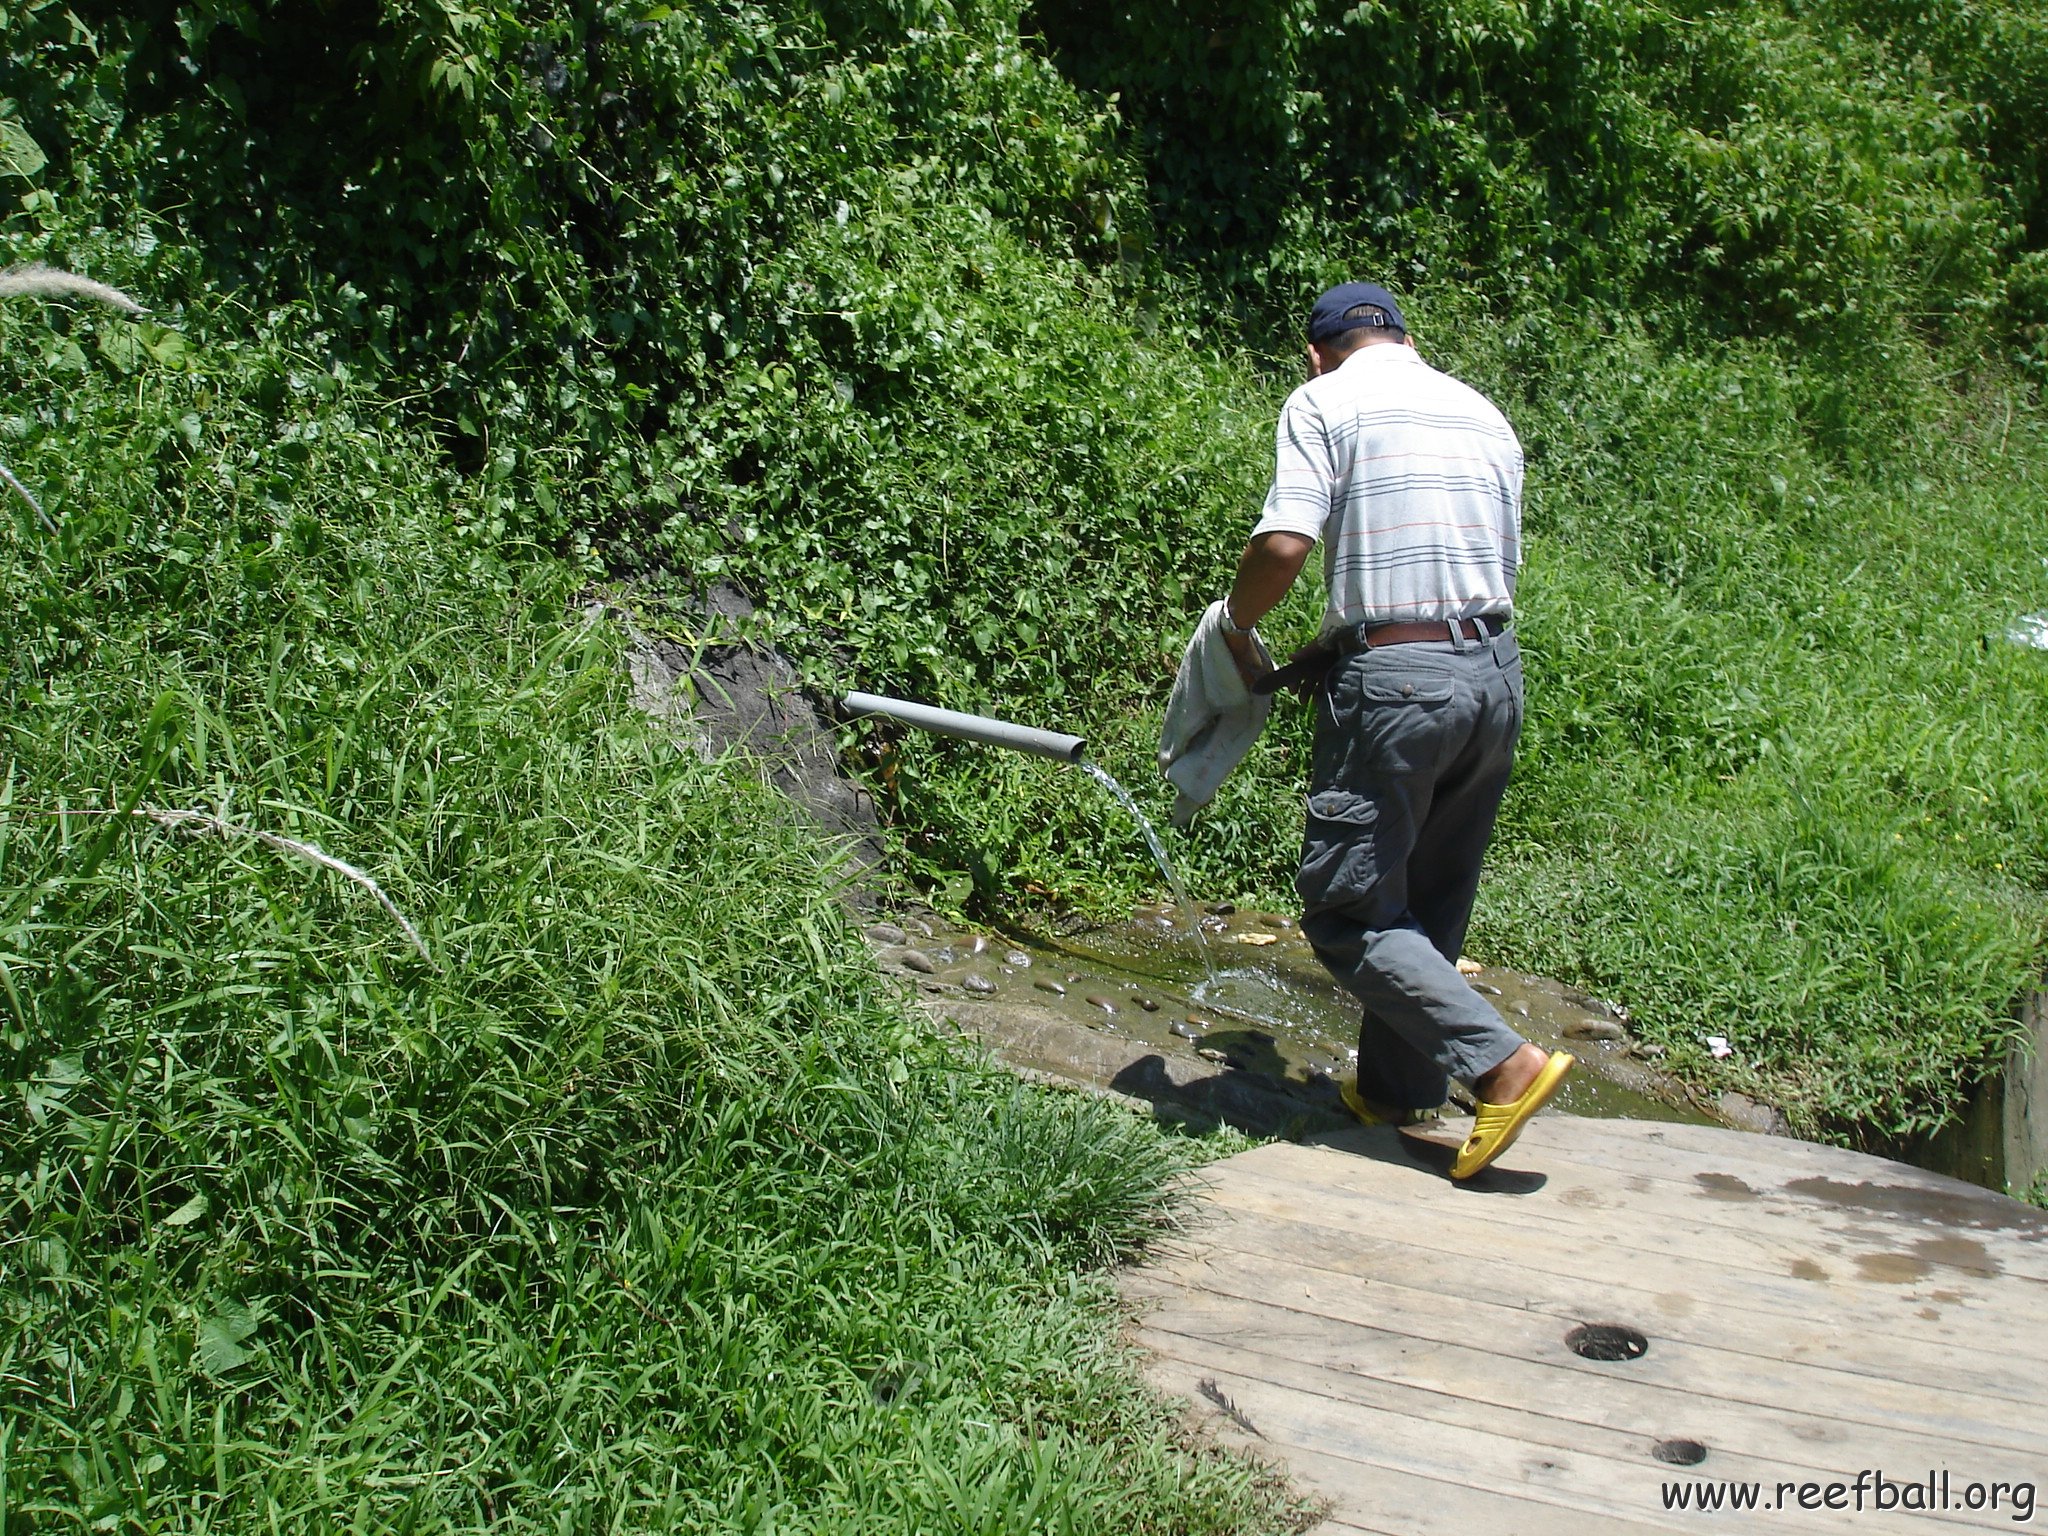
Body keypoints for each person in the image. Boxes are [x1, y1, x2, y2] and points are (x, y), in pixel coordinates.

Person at [1216, 280, 1571, 1180]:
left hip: (1399, 686)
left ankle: (1505, 1067)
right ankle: (1395, 1093)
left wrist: (1235, 627)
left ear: (1317, 352)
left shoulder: (1324, 400)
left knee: (1346, 912)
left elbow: (1287, 542)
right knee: (1428, 902)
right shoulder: (1483, 414)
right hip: (1493, 675)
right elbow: (1458, 570)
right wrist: (1335, 649)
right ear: (1407, 341)